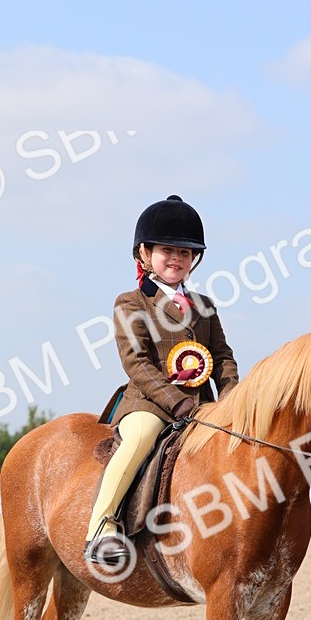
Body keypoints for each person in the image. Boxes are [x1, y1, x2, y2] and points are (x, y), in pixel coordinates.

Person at [85, 195, 239, 565]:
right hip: (150, 404)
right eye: (168, 250)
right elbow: (136, 362)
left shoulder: (204, 306)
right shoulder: (131, 302)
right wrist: (178, 402)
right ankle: (102, 527)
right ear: (145, 253)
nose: (176, 259)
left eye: (185, 253)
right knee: (139, 439)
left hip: (204, 405)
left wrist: (233, 398)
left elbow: (222, 357)